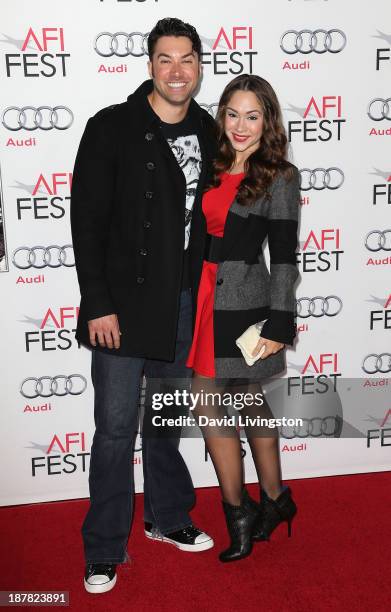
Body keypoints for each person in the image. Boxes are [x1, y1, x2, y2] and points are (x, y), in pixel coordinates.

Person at [70, 18, 216, 594]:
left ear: (199, 66)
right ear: (149, 64)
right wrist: (97, 305)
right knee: (113, 429)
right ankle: (104, 547)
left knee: (166, 420)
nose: (177, 70)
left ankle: (168, 516)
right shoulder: (113, 126)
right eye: (165, 59)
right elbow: (87, 223)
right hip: (122, 307)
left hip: (182, 301)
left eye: (187, 59)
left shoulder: (209, 130)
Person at [186, 74, 300, 562]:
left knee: (243, 402)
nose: (240, 125)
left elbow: (286, 256)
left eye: (252, 116)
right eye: (232, 113)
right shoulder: (209, 165)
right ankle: (262, 504)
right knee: (218, 403)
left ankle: (255, 508)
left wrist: (280, 322)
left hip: (247, 307)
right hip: (203, 299)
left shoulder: (279, 175)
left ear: (267, 121)